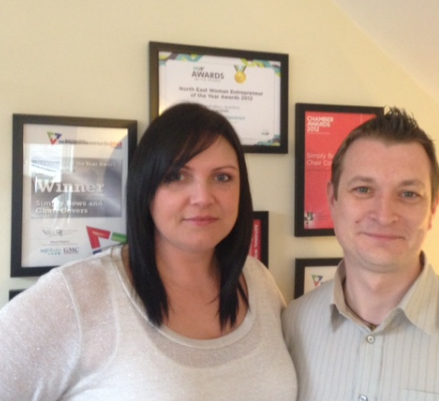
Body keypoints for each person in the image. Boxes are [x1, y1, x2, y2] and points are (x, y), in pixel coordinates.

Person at [0, 103, 297, 400]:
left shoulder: (259, 281)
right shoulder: (78, 295)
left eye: (222, 177)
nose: (202, 198)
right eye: (177, 176)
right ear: (146, 188)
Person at [282, 108, 439, 400]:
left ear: (432, 209)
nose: (385, 215)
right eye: (363, 189)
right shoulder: (288, 330)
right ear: (333, 200)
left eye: (409, 194)